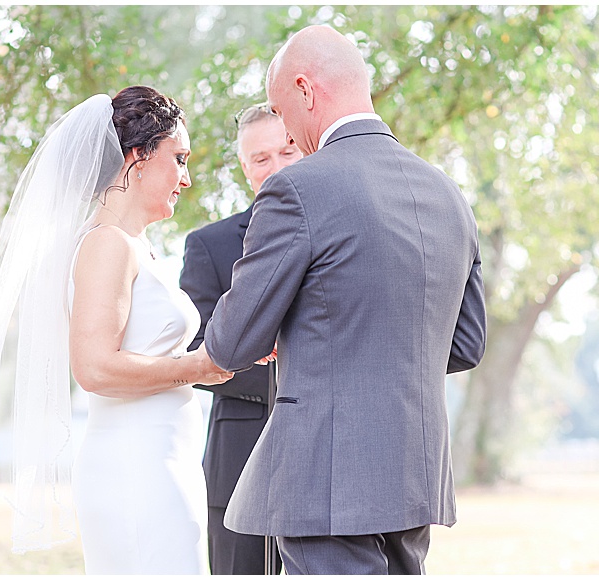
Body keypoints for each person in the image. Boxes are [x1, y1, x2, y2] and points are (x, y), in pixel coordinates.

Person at [203, 25, 487, 575]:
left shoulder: (298, 188)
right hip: (415, 470)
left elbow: (232, 341)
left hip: (324, 479)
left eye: (284, 114)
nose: (289, 133)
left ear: (306, 91)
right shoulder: (447, 193)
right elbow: (467, 343)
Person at [0, 86, 233, 574]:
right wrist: (196, 366)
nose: (186, 178)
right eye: (179, 159)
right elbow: (94, 368)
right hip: (135, 467)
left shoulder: (136, 244)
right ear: (137, 158)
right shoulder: (107, 244)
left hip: (163, 459)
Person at [179, 104, 300, 574]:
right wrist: (278, 366)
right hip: (239, 459)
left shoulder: (344, 230)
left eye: (287, 151)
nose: (276, 167)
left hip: (328, 463)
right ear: (245, 169)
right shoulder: (209, 245)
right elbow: (193, 353)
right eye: (260, 158)